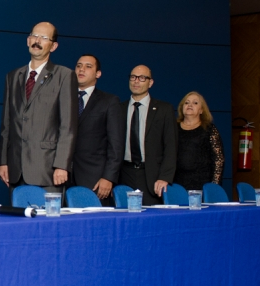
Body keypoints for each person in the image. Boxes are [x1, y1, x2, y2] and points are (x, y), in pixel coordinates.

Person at [0, 22, 78, 196]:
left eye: (44, 37)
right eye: (34, 36)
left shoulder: (64, 75)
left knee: (48, 215)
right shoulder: (13, 76)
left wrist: (62, 165)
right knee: (18, 214)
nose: (37, 41)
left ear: (53, 46)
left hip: (48, 170)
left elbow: (68, 126)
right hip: (16, 169)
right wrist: (3, 162)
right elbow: (6, 124)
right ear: (28, 40)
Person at [70, 54, 125, 205]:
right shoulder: (64, 98)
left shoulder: (109, 101)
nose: (82, 69)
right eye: (79, 66)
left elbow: (116, 144)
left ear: (98, 74)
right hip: (64, 177)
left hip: (94, 178)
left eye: (88, 66)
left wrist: (108, 177)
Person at [119, 65, 177, 205]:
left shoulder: (164, 109)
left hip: (152, 176)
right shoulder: (119, 108)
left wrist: (165, 177)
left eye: (142, 78)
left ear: (150, 83)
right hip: (123, 174)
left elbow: (171, 146)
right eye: (133, 77)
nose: (136, 81)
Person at [173, 91, 224, 191]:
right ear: (182, 107)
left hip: (202, 183)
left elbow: (218, 159)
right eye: (186, 102)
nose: (190, 105)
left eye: (195, 103)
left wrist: (214, 186)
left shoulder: (209, 128)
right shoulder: (173, 127)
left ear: (201, 110)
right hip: (176, 183)